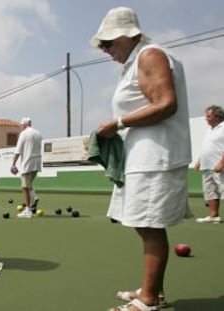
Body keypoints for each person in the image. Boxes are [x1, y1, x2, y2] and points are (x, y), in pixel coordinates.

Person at [91, 7, 192, 311]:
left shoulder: (149, 55)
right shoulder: (135, 62)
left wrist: (118, 123)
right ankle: (152, 291)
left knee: (150, 226)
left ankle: (149, 300)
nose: (106, 50)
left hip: (156, 157)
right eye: (102, 45)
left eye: (108, 43)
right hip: (141, 157)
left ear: (127, 35)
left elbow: (166, 104)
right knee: (142, 223)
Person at [193, 105, 224, 223]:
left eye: (208, 116)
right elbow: (206, 146)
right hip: (207, 166)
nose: (206, 118)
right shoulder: (208, 130)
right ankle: (213, 216)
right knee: (210, 191)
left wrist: (222, 163)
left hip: (219, 167)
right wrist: (199, 161)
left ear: (217, 116)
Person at [10, 117, 42, 218]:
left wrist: (13, 164)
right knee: (28, 184)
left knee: (25, 187)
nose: (21, 127)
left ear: (24, 125)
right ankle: (34, 200)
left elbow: (18, 151)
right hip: (36, 164)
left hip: (27, 164)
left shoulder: (23, 134)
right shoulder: (38, 134)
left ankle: (28, 210)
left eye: (21, 126)